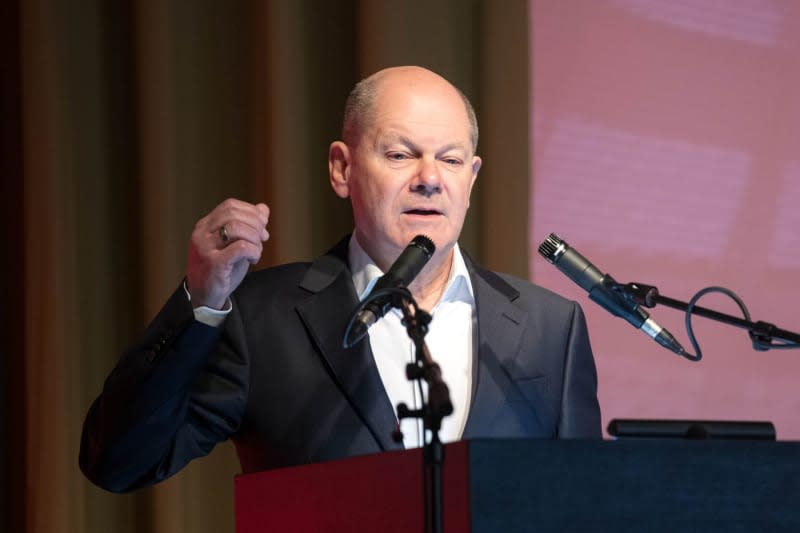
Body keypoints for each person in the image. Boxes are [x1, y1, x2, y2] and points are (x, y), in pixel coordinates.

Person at [80, 66, 600, 493]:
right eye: (400, 154)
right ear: (341, 169)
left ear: (472, 179)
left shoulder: (550, 328)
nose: (429, 177)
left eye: (451, 159)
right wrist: (202, 300)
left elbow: (588, 502)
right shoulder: (261, 318)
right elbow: (121, 462)